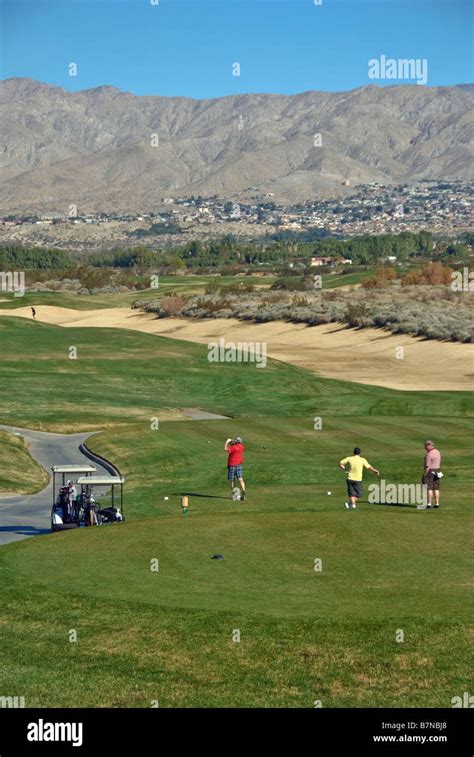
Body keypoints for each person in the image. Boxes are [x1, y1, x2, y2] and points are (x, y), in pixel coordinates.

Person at [420, 440, 442, 509]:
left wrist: (425, 474)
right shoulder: (438, 452)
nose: (425, 447)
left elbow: (427, 466)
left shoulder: (429, 454)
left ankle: (429, 504)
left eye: (426, 445)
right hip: (438, 470)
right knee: (436, 488)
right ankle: (437, 504)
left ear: (429, 445)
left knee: (429, 488)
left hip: (430, 471)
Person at [224, 436, 246, 501]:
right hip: (239, 465)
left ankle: (235, 495)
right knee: (240, 479)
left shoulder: (233, 447)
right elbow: (235, 444)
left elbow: (225, 449)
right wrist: (233, 441)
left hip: (232, 465)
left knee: (232, 480)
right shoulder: (242, 447)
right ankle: (243, 491)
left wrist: (227, 442)